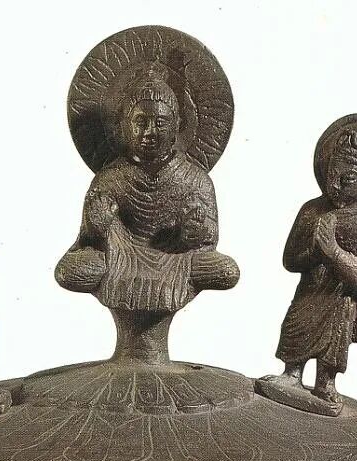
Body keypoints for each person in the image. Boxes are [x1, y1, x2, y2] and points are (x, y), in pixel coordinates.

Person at [56, 66, 239, 325]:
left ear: (177, 126)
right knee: (69, 271)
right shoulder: (110, 178)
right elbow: (88, 241)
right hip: (119, 258)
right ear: (124, 126)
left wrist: (192, 232)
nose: (150, 132)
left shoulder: (195, 180)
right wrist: (99, 225)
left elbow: (207, 240)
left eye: (160, 123)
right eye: (141, 123)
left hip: (176, 260)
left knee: (226, 271)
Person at [274, 129, 357, 409]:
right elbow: (290, 261)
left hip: (341, 300)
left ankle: (325, 381)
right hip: (309, 294)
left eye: (347, 179)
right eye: (331, 175)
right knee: (298, 325)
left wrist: (333, 253)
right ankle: (292, 372)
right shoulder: (312, 212)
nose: (335, 186)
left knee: (337, 328)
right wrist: (314, 251)